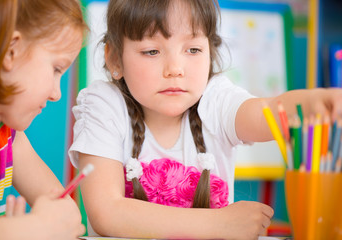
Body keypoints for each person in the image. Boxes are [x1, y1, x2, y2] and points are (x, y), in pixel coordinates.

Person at [69, 0, 342, 239]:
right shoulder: (103, 105)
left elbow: (267, 112)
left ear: (210, 52)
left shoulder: (216, 99)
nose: (175, 69)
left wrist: (316, 102)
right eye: (152, 51)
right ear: (114, 58)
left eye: (193, 50)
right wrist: (220, 223)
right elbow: (107, 213)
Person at [0, 0, 88, 239]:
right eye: (56, 69)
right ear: (12, 51)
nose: (56, 94)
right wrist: (27, 230)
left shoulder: (7, 135)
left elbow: (65, 213)